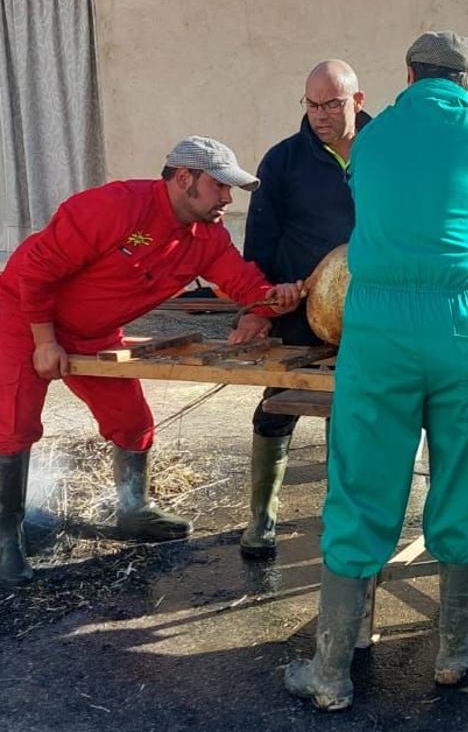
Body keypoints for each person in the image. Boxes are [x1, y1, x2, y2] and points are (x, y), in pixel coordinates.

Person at [284, 31, 468, 711]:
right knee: (464, 480)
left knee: (361, 488)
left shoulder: (374, 137)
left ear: (411, 74)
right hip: (461, 332)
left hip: (377, 336)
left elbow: (370, 199)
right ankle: (454, 650)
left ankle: (329, 669)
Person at [0, 137, 302, 586]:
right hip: (22, 318)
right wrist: (44, 340)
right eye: (219, 186)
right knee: (14, 425)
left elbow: (243, 283)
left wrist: (271, 301)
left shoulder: (207, 237)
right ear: (185, 178)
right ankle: (6, 540)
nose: (227, 199)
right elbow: (35, 271)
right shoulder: (115, 207)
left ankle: (132, 509)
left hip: (95, 331)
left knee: (132, 421)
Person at [232, 60, 368, 560]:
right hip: (297, 310)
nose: (319, 115)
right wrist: (260, 305)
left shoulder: (386, 153)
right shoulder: (283, 161)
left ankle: (341, 520)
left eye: (331, 104)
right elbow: (260, 242)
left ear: (357, 100)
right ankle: (261, 516)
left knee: (349, 412)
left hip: (369, 314)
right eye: (311, 105)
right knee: (276, 405)